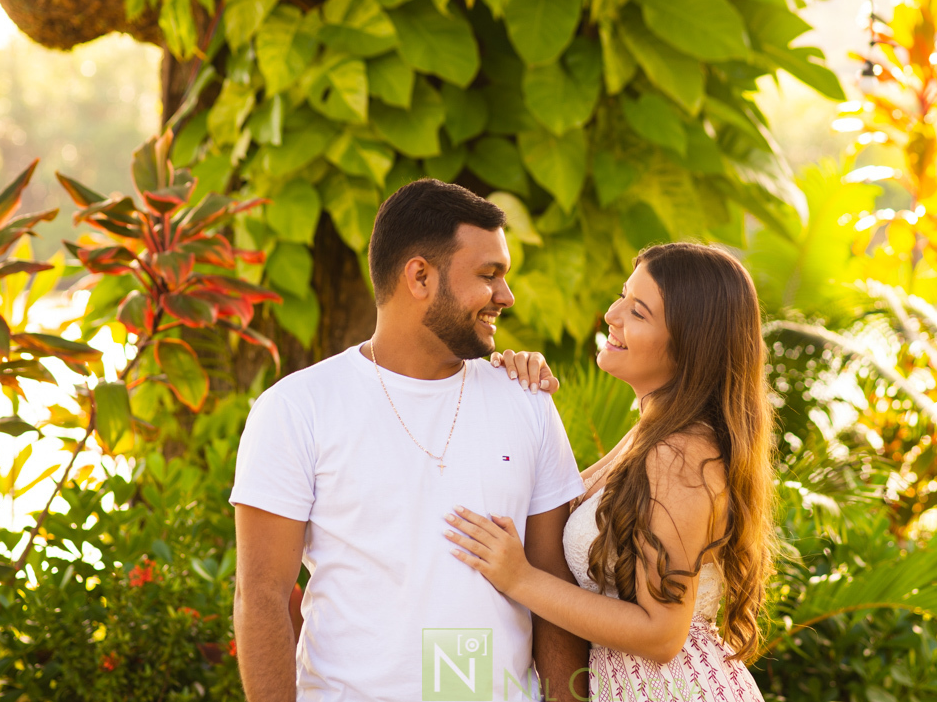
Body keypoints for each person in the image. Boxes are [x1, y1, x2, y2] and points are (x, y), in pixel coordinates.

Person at [230, 178, 590, 702]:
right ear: (420, 276)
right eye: (489, 276)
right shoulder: (297, 409)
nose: (505, 297)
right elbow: (260, 597)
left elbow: (552, 583)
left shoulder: (527, 400)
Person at [448, 243, 777, 702]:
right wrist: (523, 384)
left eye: (638, 312)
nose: (611, 314)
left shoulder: (679, 455)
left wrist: (520, 578)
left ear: (688, 343)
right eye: (623, 295)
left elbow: (662, 635)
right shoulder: (652, 433)